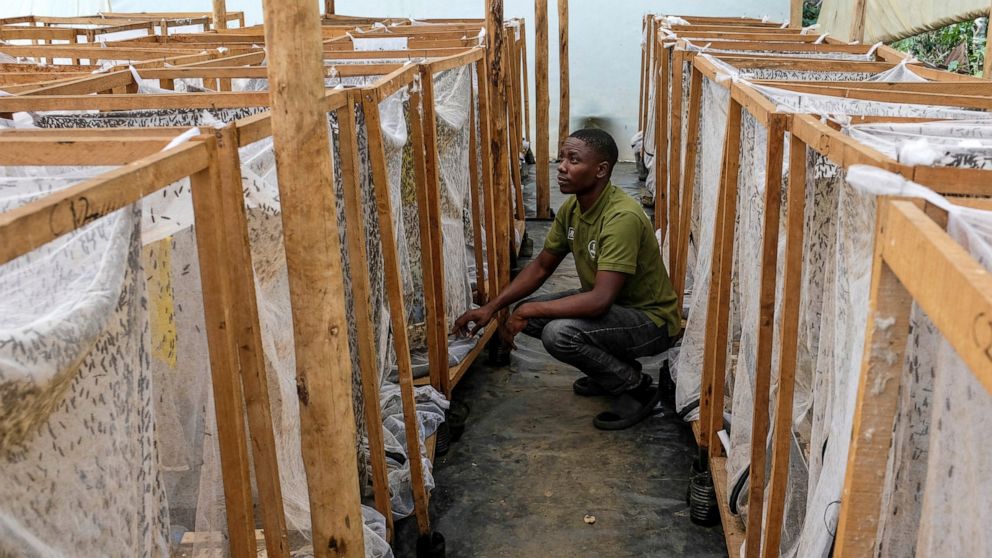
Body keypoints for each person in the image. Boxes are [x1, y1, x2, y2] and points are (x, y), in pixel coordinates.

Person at [452, 128, 681, 430]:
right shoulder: (574, 208)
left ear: (600, 170)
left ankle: (636, 387)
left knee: (558, 333)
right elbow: (542, 266)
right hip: (618, 312)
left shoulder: (621, 218)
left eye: (574, 160)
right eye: (562, 158)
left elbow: (599, 301)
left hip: (651, 321)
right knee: (531, 314)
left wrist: (526, 310)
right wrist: (492, 308)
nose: (561, 166)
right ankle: (613, 370)